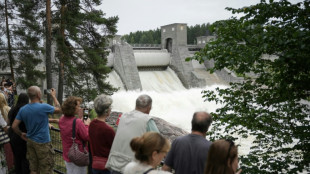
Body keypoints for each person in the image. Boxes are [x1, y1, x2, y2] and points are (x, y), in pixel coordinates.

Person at [12, 86, 61, 174]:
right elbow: (59, 109)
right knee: (47, 169)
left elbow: (14, 126)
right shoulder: (43, 107)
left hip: (30, 142)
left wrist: (21, 134)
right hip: (43, 143)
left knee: (34, 169)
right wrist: (53, 96)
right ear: (38, 95)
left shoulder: (23, 109)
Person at [106, 94, 159, 174]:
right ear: (149, 108)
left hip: (114, 163)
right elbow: (159, 142)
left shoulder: (123, 116)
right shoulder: (147, 120)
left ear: (136, 105)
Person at [59, 96, 90, 174]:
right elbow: (86, 136)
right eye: (78, 106)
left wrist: (79, 120)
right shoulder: (77, 122)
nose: (79, 108)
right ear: (73, 108)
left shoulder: (62, 119)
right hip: (78, 155)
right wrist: (86, 125)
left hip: (67, 153)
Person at [89, 94, 115, 174]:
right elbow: (114, 149)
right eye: (110, 107)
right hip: (106, 167)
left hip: (95, 164)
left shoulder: (92, 124)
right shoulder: (108, 130)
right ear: (107, 111)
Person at [8, 93, 30, 174]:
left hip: (12, 135)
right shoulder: (25, 110)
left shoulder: (13, 109)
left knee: (17, 157)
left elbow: (8, 122)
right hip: (22, 135)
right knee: (25, 158)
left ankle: (17, 171)